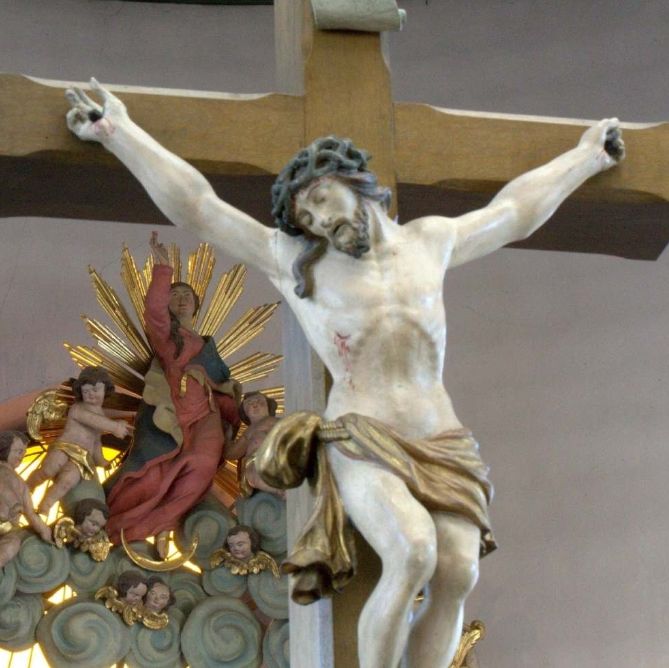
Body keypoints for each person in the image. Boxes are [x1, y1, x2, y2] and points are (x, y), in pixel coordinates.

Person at [65, 80, 624, 668]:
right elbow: (199, 208)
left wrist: (587, 157)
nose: (319, 222)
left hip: (441, 435)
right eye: (307, 218)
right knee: (413, 551)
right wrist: (118, 132)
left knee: (458, 570)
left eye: (321, 201)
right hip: (363, 436)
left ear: (353, 181)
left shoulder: (429, 242)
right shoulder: (295, 263)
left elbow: (514, 213)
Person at [103, 232, 241, 557]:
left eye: (186, 296)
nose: (181, 299)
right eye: (174, 295)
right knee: (150, 480)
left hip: (205, 416)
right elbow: (154, 312)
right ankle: (125, 530)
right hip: (171, 418)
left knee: (203, 464)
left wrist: (246, 411)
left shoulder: (207, 347)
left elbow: (225, 389)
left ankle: (163, 523)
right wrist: (162, 269)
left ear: (196, 305)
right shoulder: (169, 338)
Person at [27, 366, 131, 514]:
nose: (91, 394)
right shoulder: (77, 408)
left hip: (82, 457)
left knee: (67, 481)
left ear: (106, 390)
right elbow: (92, 419)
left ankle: (45, 506)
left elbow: (96, 441)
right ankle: (27, 487)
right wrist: (114, 426)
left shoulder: (101, 414)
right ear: (80, 392)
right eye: (86, 391)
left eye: (95, 390)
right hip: (64, 447)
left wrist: (101, 460)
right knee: (47, 471)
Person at [0, 431, 52, 568]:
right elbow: (30, 515)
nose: (22, 456)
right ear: (5, 449)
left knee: (12, 543)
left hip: (7, 531)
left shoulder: (19, 482)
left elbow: (30, 513)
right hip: (6, 529)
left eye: (24, 452)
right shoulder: (18, 482)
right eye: (18, 451)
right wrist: (45, 532)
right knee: (13, 543)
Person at [224, 391, 283, 497]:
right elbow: (231, 454)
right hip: (255, 462)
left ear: (268, 405)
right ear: (245, 413)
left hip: (275, 457)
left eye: (259, 400)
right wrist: (228, 438)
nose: (254, 404)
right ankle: (279, 490)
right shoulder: (249, 432)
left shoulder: (276, 422)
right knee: (252, 473)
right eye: (249, 403)